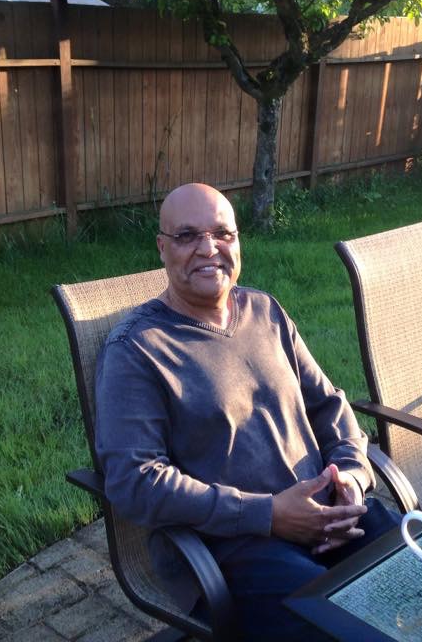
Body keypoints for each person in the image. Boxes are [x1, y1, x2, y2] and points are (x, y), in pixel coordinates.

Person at [94, 183, 400, 640]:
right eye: (187, 236)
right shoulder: (137, 349)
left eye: (222, 233)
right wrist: (269, 514)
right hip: (235, 547)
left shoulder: (265, 310)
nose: (208, 249)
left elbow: (327, 403)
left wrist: (352, 480)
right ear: (162, 247)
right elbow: (134, 479)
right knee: (340, 628)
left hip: (330, 515)